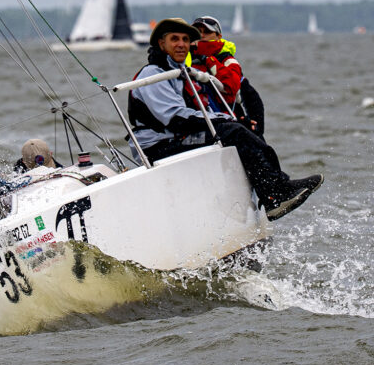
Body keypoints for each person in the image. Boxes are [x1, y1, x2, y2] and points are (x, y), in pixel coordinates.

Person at [128, 18, 322, 220]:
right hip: (158, 146)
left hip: (176, 137)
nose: (181, 44)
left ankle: (273, 193)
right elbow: (176, 118)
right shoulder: (153, 74)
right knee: (234, 131)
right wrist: (225, 121)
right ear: (162, 43)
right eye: (174, 39)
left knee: (243, 130)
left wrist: (234, 120)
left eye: (185, 39)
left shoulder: (179, 72)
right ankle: (275, 194)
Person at [190, 15, 265, 137]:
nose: (202, 35)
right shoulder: (184, 57)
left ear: (219, 36)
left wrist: (208, 59)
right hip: (198, 121)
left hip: (226, 121)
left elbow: (233, 87)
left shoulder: (228, 61)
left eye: (207, 32)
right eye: (198, 32)